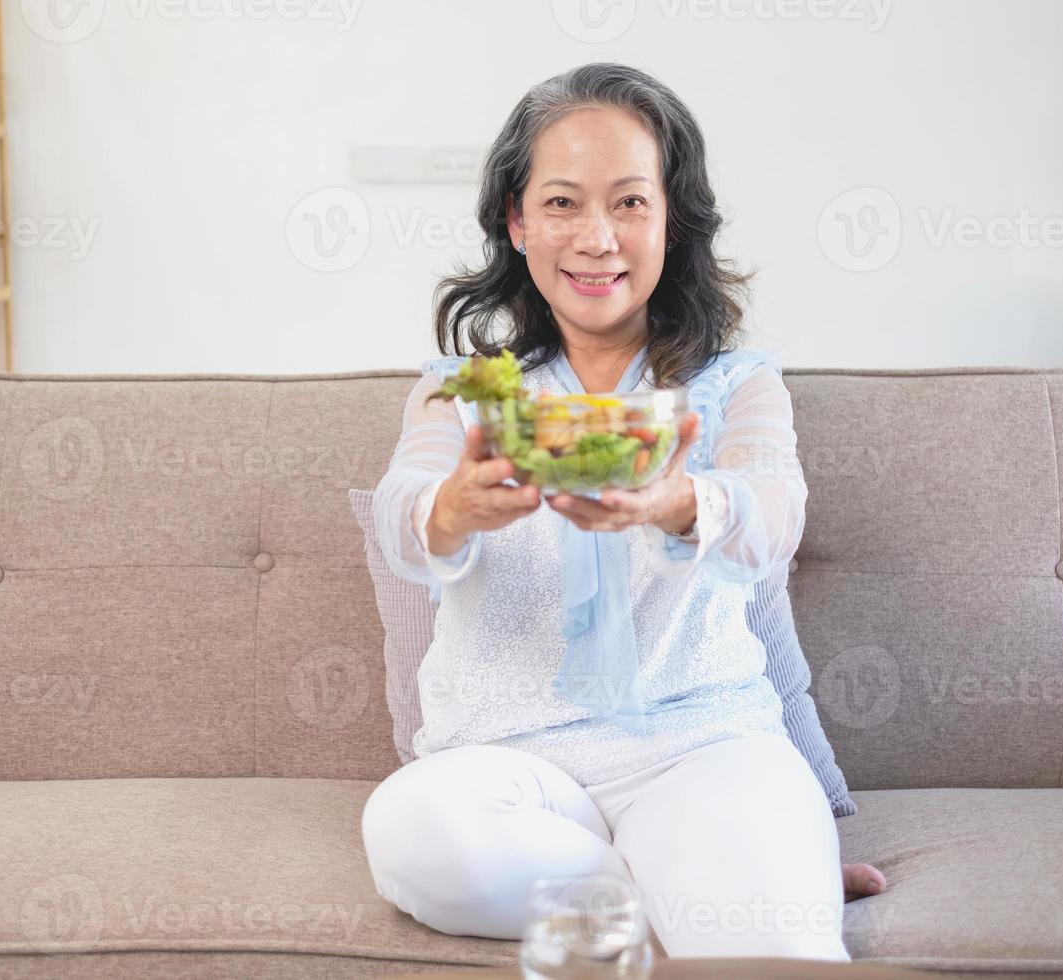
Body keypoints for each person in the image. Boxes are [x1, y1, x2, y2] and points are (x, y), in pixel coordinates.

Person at [361, 62, 884, 960]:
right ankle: (703, 886)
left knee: (774, 953)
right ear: (517, 222)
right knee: (413, 830)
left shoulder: (734, 388)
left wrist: (681, 501)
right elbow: (403, 511)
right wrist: (453, 510)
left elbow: (771, 516)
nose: (597, 238)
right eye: (562, 203)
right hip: (501, 767)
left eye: (631, 203)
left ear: (670, 221)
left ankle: (737, 874)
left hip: (704, 748)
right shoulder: (468, 391)